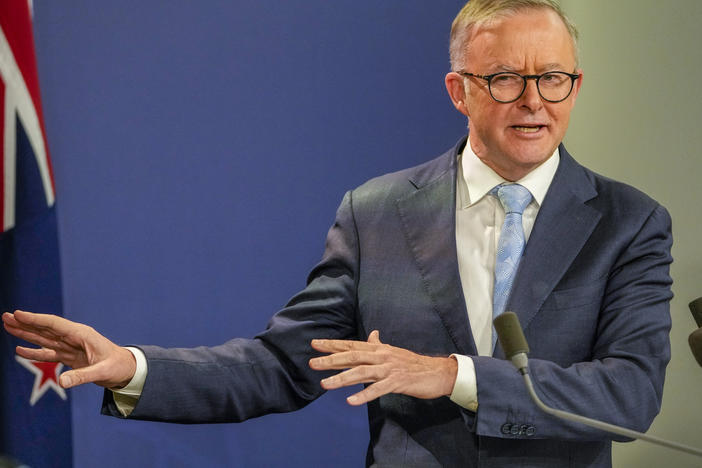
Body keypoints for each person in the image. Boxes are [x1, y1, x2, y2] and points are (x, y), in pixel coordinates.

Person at [3, 0, 673, 466]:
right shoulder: (378, 212)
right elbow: (284, 364)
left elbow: (629, 396)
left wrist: (453, 375)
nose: (534, 100)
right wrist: (135, 367)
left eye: (552, 77)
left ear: (575, 85)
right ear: (458, 90)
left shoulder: (629, 223)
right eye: (505, 79)